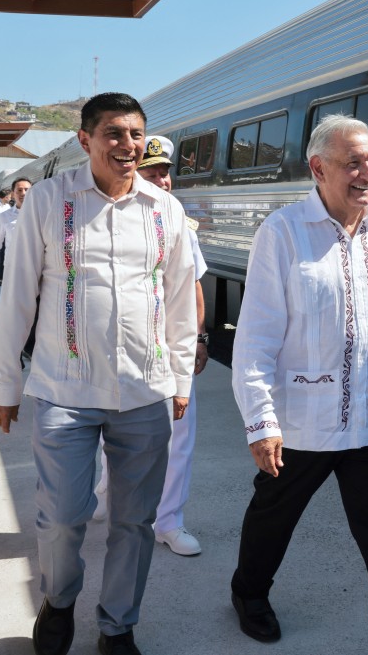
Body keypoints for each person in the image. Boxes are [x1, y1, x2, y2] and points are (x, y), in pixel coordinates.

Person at [0, 92, 197, 655]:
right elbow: (17, 296)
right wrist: (3, 384)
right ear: (85, 140)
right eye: (114, 134)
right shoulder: (49, 200)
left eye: (136, 134)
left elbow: (180, 302)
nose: (128, 145)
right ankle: (58, 603)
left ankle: (117, 626)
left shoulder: (165, 210)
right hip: (64, 391)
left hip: (144, 391)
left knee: (135, 521)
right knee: (61, 517)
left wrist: (180, 379)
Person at [229, 115, 368, 655]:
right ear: (318, 169)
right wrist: (261, 421)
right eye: (353, 163)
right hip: (303, 421)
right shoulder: (283, 231)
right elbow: (256, 336)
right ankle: (249, 592)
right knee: (273, 518)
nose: (367, 174)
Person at [93, 135, 210, 557]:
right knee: (112, 428)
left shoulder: (179, 223)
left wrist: (199, 338)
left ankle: (168, 521)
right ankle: (107, 488)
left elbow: (194, 287)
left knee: (177, 436)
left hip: (168, 350)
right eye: (153, 173)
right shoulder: (104, 220)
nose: (162, 181)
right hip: (118, 348)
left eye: (165, 174)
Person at [0, 179, 31, 288]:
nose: (23, 193)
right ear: (13, 194)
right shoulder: (4, 216)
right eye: (19, 190)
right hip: (13, 270)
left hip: (38, 270)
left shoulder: (42, 215)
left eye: (27, 190)